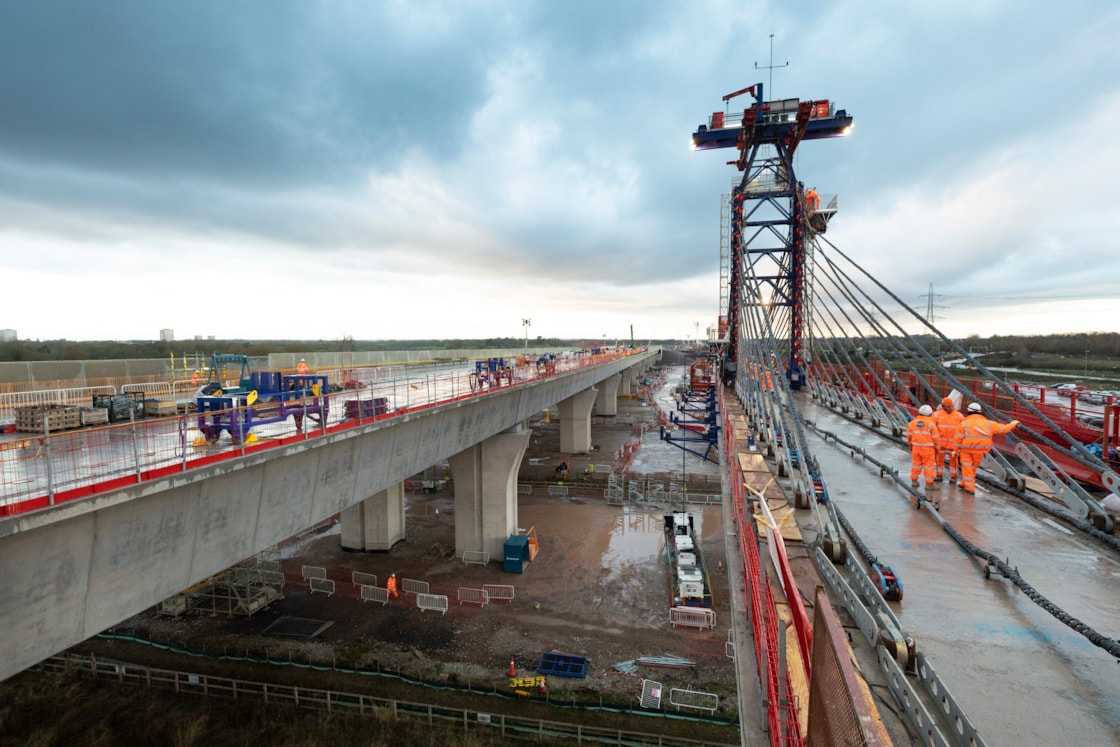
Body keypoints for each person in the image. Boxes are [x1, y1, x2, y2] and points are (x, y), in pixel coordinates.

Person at [954, 402, 1020, 495]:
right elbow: (1004, 429)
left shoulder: (963, 424)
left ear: (968, 412)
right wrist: (1013, 424)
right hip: (980, 451)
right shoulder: (989, 424)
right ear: (980, 412)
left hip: (966, 450)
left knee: (967, 468)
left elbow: (957, 439)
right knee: (973, 468)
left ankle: (970, 488)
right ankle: (964, 483)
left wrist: (955, 450)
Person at [905, 404, 939, 488]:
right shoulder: (931, 424)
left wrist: (910, 445)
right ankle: (929, 484)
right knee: (928, 467)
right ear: (930, 414)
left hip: (916, 448)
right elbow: (936, 438)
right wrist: (937, 449)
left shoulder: (912, 423)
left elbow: (908, 436)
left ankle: (914, 481)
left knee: (916, 464)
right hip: (928, 450)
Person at [933, 397, 963, 483]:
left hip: (953, 445)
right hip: (940, 444)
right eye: (948, 406)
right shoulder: (937, 415)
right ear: (943, 406)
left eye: (952, 406)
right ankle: (939, 475)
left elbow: (964, 429)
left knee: (954, 461)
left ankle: (953, 477)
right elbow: (932, 428)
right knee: (939, 460)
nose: (951, 408)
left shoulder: (959, 416)